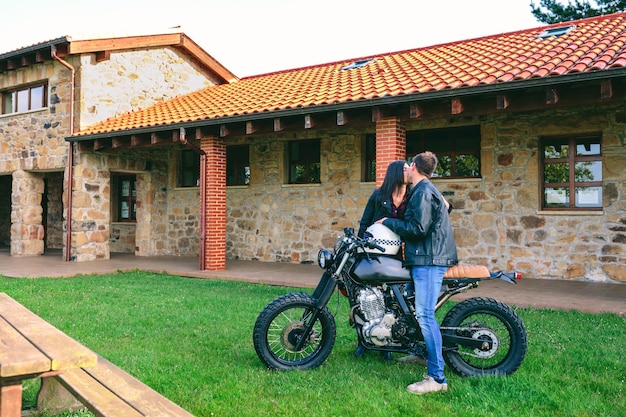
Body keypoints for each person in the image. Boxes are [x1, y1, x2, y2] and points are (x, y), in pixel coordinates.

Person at [377, 151, 458, 395]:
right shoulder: (426, 190)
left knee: (424, 315)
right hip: (425, 258)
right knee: (412, 309)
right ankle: (420, 353)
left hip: (429, 260)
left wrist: (387, 222)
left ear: (413, 166)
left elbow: (418, 228)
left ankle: (437, 378)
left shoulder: (423, 191)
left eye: (407, 166)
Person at [354, 160, 409, 359]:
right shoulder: (378, 195)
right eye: (405, 169)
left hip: (397, 254)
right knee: (368, 296)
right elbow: (365, 222)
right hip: (375, 253)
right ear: (395, 173)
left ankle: (386, 342)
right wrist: (361, 248)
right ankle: (363, 340)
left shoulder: (410, 197)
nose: (409, 171)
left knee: (393, 298)